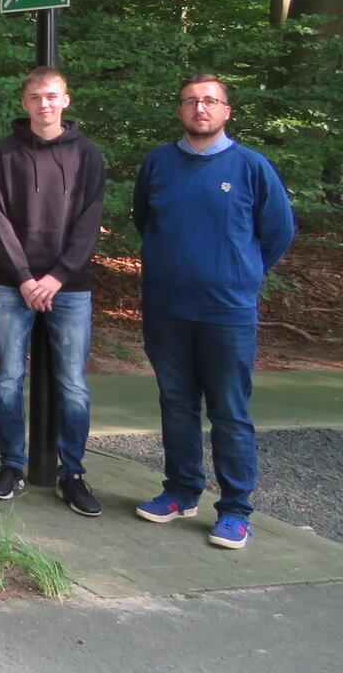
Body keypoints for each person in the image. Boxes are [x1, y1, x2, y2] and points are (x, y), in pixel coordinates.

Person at [132, 74, 295, 551]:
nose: (200, 108)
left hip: (228, 312)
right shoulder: (158, 163)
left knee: (229, 411)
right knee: (176, 403)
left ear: (227, 110)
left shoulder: (251, 167)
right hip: (166, 309)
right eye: (191, 101)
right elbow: (146, 221)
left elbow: (278, 232)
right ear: (180, 110)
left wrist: (241, 274)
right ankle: (181, 491)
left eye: (210, 101)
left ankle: (236, 510)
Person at [0, 66, 108, 515]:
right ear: (24, 103)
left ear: (66, 100)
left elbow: (90, 222)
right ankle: (11, 464)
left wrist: (56, 276)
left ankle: (71, 473)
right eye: (35, 97)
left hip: (70, 286)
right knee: (7, 380)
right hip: (14, 285)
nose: (44, 104)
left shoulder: (88, 155)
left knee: (72, 384)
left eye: (52, 96)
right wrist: (24, 278)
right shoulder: (3, 155)